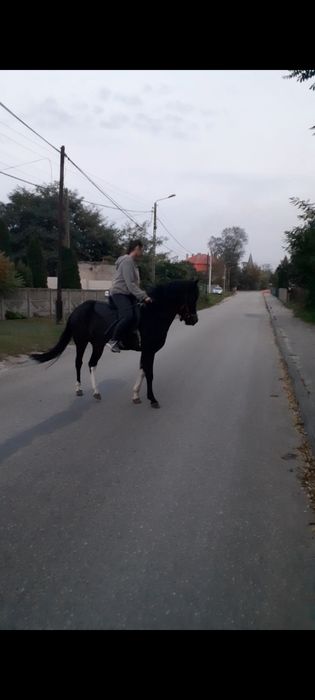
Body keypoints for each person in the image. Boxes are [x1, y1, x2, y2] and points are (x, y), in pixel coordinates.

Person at [106, 239, 152, 352]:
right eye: (142, 250)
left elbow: (134, 284)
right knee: (128, 316)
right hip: (119, 293)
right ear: (136, 248)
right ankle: (113, 340)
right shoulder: (127, 261)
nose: (142, 253)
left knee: (137, 316)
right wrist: (143, 296)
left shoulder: (133, 263)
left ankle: (126, 340)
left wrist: (141, 295)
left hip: (129, 294)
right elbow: (129, 283)